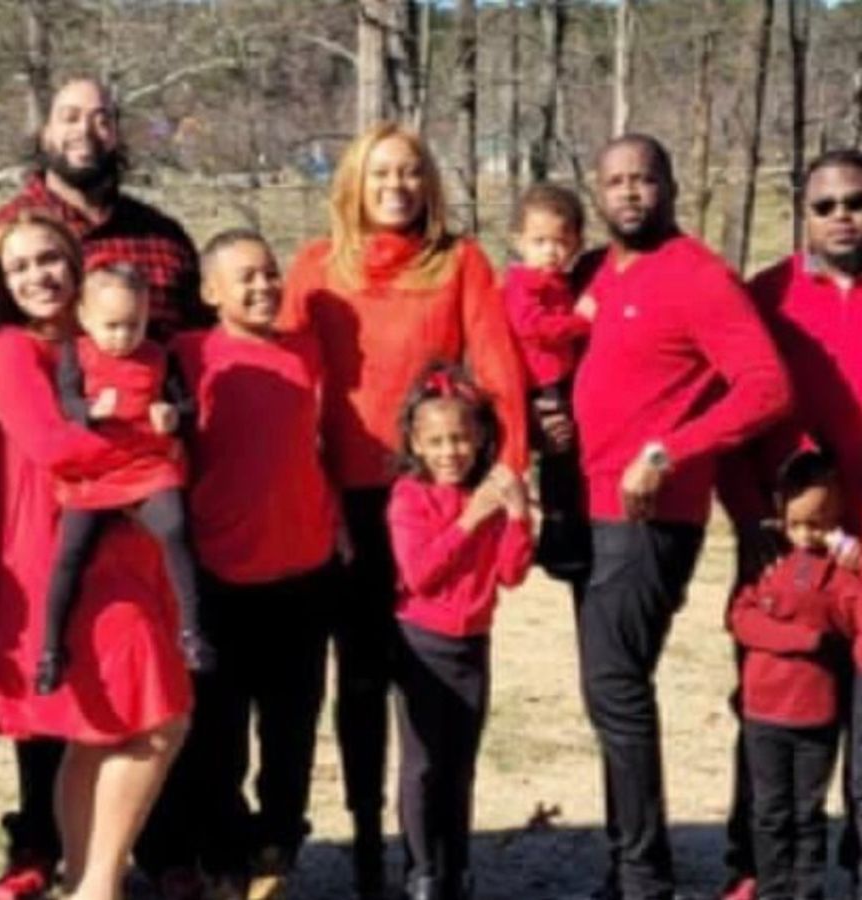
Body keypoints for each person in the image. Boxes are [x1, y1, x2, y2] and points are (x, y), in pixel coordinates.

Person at [0, 76, 205, 898]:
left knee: (102, 725)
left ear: (78, 265)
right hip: (57, 548)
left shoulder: (90, 351)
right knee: (158, 716)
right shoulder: (8, 352)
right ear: (1, 277)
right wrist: (155, 457)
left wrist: (166, 433)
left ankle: (88, 879)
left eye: (52, 260)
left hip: (121, 544)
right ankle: (96, 884)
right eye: (20, 266)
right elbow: (60, 449)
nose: (39, 276)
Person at [279, 121, 527, 898]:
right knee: (359, 682)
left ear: (430, 183)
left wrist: (507, 476)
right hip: (348, 503)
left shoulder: (460, 263)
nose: (397, 186)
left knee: (438, 687)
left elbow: (499, 372)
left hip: (433, 496)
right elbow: (287, 377)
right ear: (355, 182)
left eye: (411, 172)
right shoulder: (318, 267)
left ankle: (437, 859)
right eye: (381, 172)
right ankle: (365, 843)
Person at [569, 133, 791, 900]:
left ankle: (643, 879)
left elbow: (766, 386)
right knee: (608, 693)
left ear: (669, 186)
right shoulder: (596, 272)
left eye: (644, 179)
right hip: (587, 510)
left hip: (650, 518)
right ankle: (627, 863)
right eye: (616, 181)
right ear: (598, 191)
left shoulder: (699, 275)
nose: (630, 192)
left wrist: (667, 452)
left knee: (616, 688)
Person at [168, 229, 340, 900]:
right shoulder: (188, 356)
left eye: (271, 273)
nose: (265, 286)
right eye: (247, 277)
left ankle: (278, 846)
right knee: (219, 735)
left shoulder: (306, 351)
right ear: (211, 292)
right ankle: (224, 855)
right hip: (219, 577)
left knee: (292, 727)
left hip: (304, 572)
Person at [718, 147, 862, 900]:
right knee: (773, 717)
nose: (843, 216)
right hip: (790, 551)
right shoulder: (765, 297)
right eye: (826, 204)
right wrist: (753, 519)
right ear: (803, 212)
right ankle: (755, 869)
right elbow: (729, 416)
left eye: (856, 202)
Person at [387, 363, 533, 900]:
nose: (451, 452)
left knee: (460, 764)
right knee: (423, 764)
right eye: (437, 442)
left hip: (473, 643)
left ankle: (457, 867)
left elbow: (511, 573)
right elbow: (420, 573)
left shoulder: (486, 496)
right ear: (416, 445)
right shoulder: (410, 496)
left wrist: (516, 515)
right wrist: (471, 518)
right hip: (422, 644)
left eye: (461, 439)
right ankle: (422, 870)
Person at [38, 261, 211, 694]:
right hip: (95, 471)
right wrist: (89, 411)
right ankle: (52, 648)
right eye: (112, 326)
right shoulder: (76, 353)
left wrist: (173, 415)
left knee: (175, 527)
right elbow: (65, 401)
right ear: (84, 317)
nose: (123, 336)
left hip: (146, 466)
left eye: (134, 325)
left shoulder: (158, 356)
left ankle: (191, 630)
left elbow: (187, 406)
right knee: (71, 553)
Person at [729, 449, 862, 900]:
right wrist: (805, 639)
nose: (806, 535)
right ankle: (772, 889)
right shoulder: (766, 563)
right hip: (764, 711)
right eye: (796, 524)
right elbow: (741, 619)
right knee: (769, 812)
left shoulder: (841, 577)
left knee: (807, 814)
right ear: (780, 514)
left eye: (818, 525)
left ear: (836, 519)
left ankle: (807, 892)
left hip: (814, 716)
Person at [502, 182, 595, 580]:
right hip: (543, 382)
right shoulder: (523, 284)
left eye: (561, 241)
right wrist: (581, 321)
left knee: (572, 458)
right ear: (519, 242)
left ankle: (572, 528)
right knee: (559, 455)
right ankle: (556, 535)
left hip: (564, 377)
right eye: (540, 242)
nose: (551, 251)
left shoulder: (561, 283)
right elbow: (533, 327)